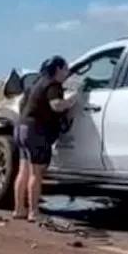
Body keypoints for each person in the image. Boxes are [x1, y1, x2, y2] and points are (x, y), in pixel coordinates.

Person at [13, 55, 77, 222]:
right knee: (36, 173)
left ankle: (19, 208)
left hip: (21, 128)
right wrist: (70, 101)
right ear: (57, 69)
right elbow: (56, 105)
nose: (67, 73)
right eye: (65, 69)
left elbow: (22, 105)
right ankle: (34, 212)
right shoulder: (53, 85)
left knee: (23, 171)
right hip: (36, 131)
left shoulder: (35, 83)